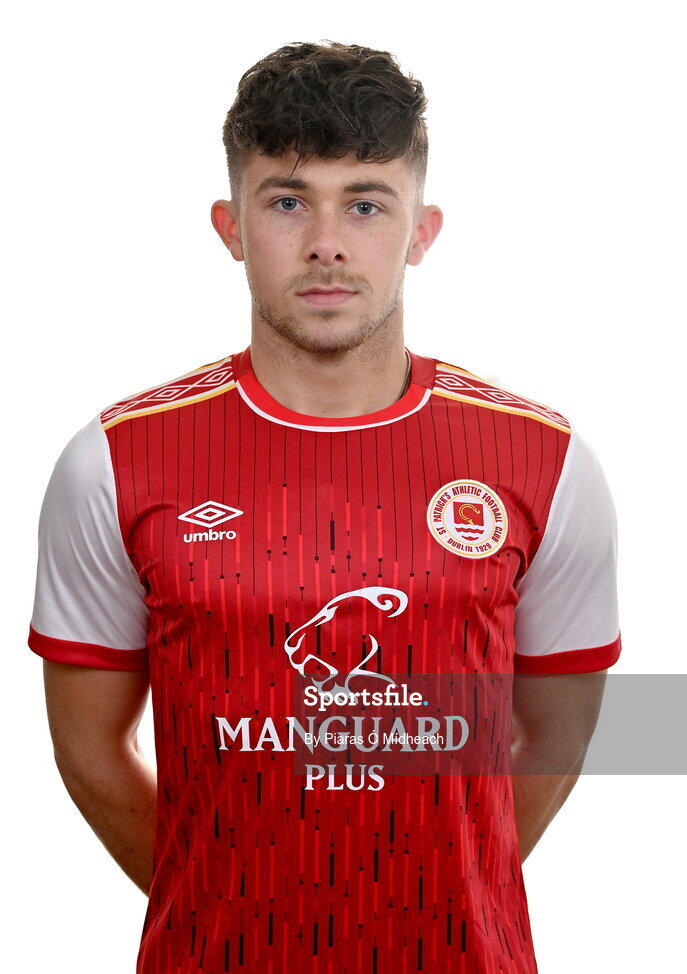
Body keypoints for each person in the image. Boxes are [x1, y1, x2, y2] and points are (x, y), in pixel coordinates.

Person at [27, 40, 622, 974]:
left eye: (366, 204)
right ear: (231, 225)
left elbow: (559, 730)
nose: (326, 244)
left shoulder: (544, 461)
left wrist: (443, 894)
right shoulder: (113, 463)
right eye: (288, 201)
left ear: (421, 231)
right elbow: (88, 748)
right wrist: (229, 905)